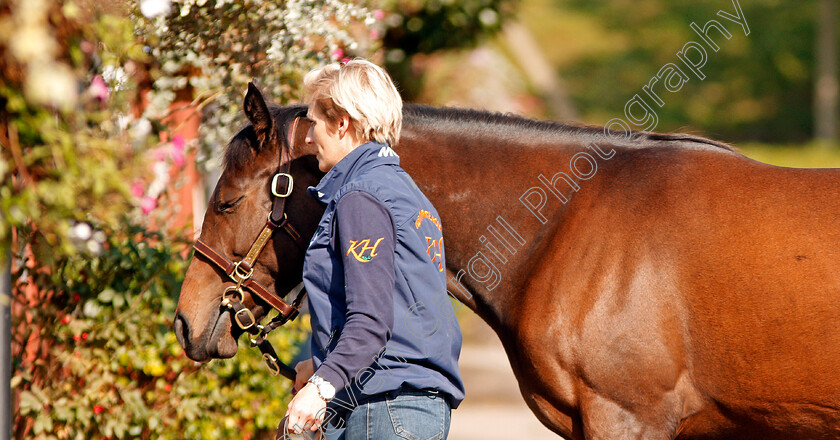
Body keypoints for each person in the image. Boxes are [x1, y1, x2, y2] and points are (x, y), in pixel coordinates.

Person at [283, 59, 464, 440]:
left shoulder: (361, 197)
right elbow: (399, 311)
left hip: (384, 410)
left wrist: (321, 387)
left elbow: (370, 321)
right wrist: (320, 365)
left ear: (343, 123)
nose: (310, 139)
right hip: (406, 407)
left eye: (314, 123)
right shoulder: (406, 193)